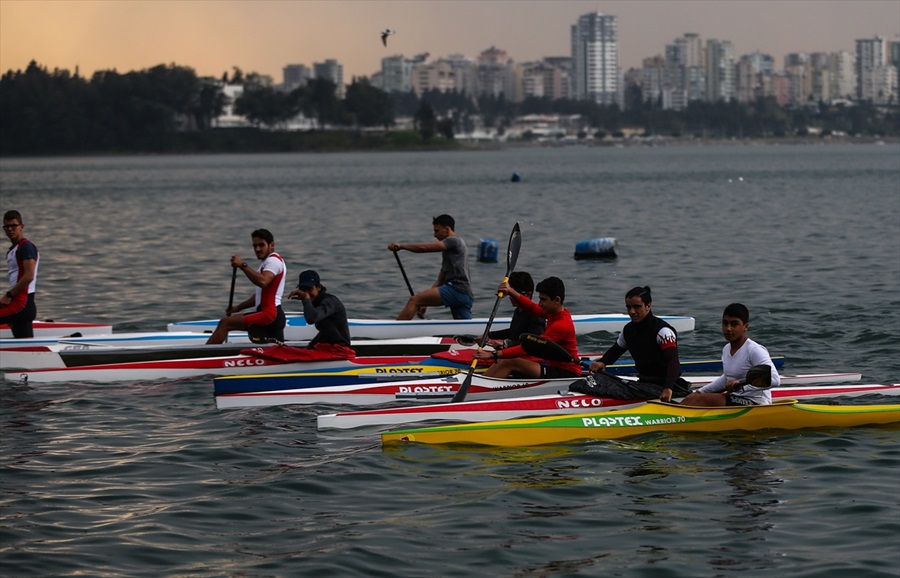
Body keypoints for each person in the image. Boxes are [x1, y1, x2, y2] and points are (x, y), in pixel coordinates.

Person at [575, 286, 692, 402]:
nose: (632, 311)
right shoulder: (628, 330)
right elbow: (616, 350)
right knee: (592, 380)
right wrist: (602, 362)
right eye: (628, 307)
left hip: (667, 386)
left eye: (637, 307)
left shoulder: (663, 331)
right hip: (644, 383)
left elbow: (673, 361)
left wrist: (668, 388)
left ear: (648, 306)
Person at [474, 276, 581, 379]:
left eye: (543, 300)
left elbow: (531, 348)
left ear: (556, 300)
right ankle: (480, 383)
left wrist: (493, 355)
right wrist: (511, 291)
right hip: (553, 366)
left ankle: (477, 389)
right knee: (505, 359)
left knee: (509, 361)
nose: (540, 303)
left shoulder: (561, 325)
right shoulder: (554, 313)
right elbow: (531, 306)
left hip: (566, 373)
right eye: (539, 299)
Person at [682, 303, 781, 406]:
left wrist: (741, 385)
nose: (728, 328)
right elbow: (727, 378)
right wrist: (700, 391)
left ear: (745, 327)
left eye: (734, 324)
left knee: (701, 400)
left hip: (755, 403)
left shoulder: (755, 350)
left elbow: (775, 380)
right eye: (725, 323)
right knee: (693, 397)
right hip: (735, 398)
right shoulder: (726, 349)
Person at [206, 229, 286, 345]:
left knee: (225, 323)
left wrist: (242, 266)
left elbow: (263, 281)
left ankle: (203, 357)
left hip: (269, 315)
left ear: (272, 245)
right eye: (255, 246)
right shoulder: (267, 262)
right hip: (272, 316)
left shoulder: (273, 261)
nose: (257, 249)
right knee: (277, 353)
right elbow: (259, 296)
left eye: (261, 245)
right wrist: (238, 307)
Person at [387, 214, 473, 320]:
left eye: (437, 231)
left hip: (456, 290)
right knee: (464, 328)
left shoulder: (454, 241)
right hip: (464, 295)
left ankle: (396, 331)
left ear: (447, 229)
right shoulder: (450, 255)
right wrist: (425, 303)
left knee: (414, 300)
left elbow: (424, 248)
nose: (434, 235)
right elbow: (439, 281)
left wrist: (401, 246)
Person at [287, 269, 353, 356]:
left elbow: (311, 318)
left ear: (319, 287)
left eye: (310, 289)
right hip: (326, 346)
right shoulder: (315, 302)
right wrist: (310, 345)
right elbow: (326, 331)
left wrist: (306, 299)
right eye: (303, 290)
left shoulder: (329, 301)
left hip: (338, 350)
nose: (307, 293)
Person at [0, 210, 39, 338]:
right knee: (26, 348)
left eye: (14, 226)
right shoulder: (12, 250)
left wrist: (8, 296)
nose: (10, 229)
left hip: (21, 305)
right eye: (7, 226)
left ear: (21, 227)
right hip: (19, 305)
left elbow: (29, 276)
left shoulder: (26, 247)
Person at [482, 271, 545, 350]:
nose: (510, 297)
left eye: (513, 293)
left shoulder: (536, 315)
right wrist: (489, 335)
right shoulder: (518, 311)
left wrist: (508, 344)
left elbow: (535, 343)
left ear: (528, 294)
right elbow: (513, 332)